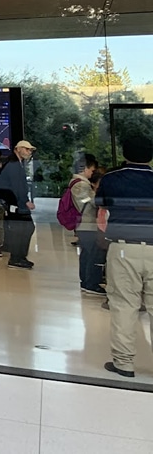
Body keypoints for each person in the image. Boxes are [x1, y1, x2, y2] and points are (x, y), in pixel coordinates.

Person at [96, 134, 153, 378]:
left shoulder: (111, 179)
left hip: (123, 248)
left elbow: (102, 205)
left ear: (125, 153)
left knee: (124, 306)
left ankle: (124, 363)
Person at [0, 140, 37, 270]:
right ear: (18, 149)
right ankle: (17, 258)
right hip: (16, 203)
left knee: (22, 229)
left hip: (12, 202)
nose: (29, 152)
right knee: (25, 228)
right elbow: (17, 187)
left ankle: (18, 257)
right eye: (27, 149)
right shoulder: (14, 165)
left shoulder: (13, 163)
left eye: (30, 150)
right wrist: (25, 201)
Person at [69, 153, 104, 296]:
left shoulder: (77, 183)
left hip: (83, 224)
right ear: (85, 168)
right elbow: (92, 202)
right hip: (87, 223)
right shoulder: (81, 185)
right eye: (92, 170)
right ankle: (91, 283)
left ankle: (86, 281)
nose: (92, 173)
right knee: (92, 254)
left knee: (86, 254)